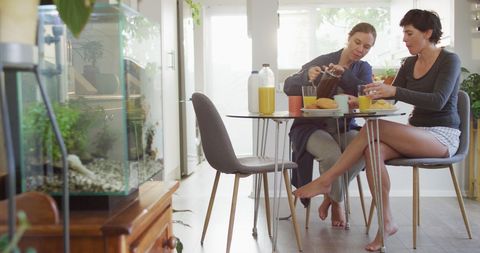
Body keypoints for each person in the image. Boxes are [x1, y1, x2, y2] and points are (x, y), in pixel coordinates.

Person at [293, 9, 461, 251]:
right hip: (416, 133)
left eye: (409, 33)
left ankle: (326, 181)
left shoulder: (449, 60)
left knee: (373, 127)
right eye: (404, 33)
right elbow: (389, 99)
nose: (404, 39)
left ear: (428, 33)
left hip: (442, 135)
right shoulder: (409, 63)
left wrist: (394, 91)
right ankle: (387, 223)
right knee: (372, 149)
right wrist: (360, 98)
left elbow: (438, 100)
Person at [283, 22, 377, 227]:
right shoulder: (323, 61)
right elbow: (288, 86)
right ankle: (337, 204)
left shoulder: (363, 68)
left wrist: (344, 73)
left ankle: (329, 197)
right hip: (310, 128)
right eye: (357, 42)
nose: (360, 49)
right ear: (348, 38)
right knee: (332, 154)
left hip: (344, 127)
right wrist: (306, 76)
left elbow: (364, 91)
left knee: (367, 149)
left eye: (367, 47)